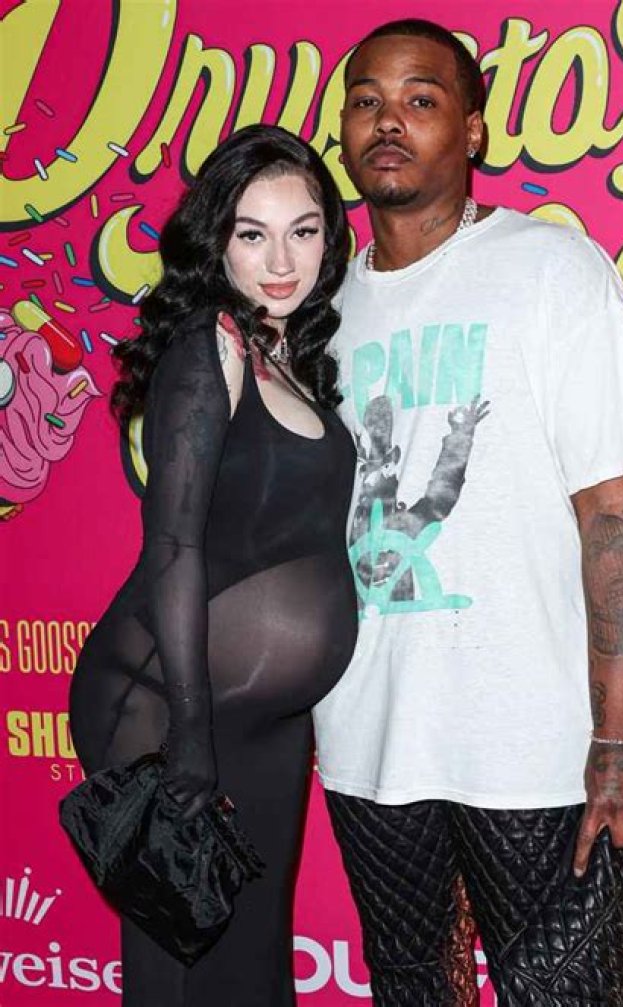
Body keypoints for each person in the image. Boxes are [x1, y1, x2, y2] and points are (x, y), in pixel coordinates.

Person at [312, 19, 623, 1005]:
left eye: (421, 99)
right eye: (367, 101)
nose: (389, 120)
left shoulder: (554, 271)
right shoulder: (319, 310)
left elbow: (614, 516)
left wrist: (621, 739)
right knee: (411, 986)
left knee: (570, 990)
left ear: (471, 130)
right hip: (365, 735)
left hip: (532, 744)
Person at [69, 124, 357, 1007]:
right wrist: (188, 731)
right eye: (252, 233)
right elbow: (173, 545)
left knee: (252, 960)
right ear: (216, 240)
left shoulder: (288, 352)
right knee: (181, 974)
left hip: (263, 717)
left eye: (303, 230)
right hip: (164, 704)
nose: (282, 260)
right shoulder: (212, 345)